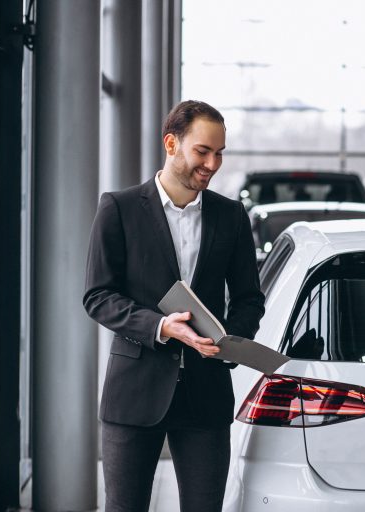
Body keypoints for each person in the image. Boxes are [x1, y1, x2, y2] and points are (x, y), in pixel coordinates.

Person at [83, 100, 265, 511]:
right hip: (135, 391)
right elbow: (98, 296)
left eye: (220, 153)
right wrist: (161, 326)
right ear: (171, 143)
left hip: (206, 394)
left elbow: (249, 297)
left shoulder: (232, 216)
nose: (213, 163)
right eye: (203, 151)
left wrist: (231, 339)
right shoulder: (119, 208)